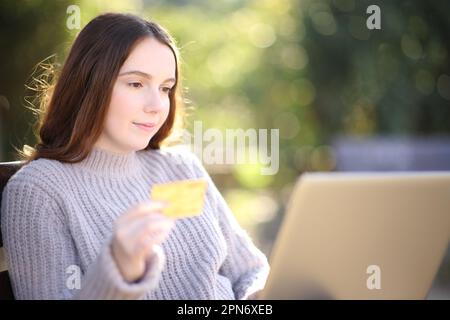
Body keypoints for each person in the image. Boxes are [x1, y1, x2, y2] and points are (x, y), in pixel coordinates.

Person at [1, 13, 269, 300]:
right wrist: (117, 270)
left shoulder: (180, 167)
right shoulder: (39, 190)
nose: (157, 105)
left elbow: (249, 270)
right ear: (90, 84)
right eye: (136, 84)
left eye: (165, 88)